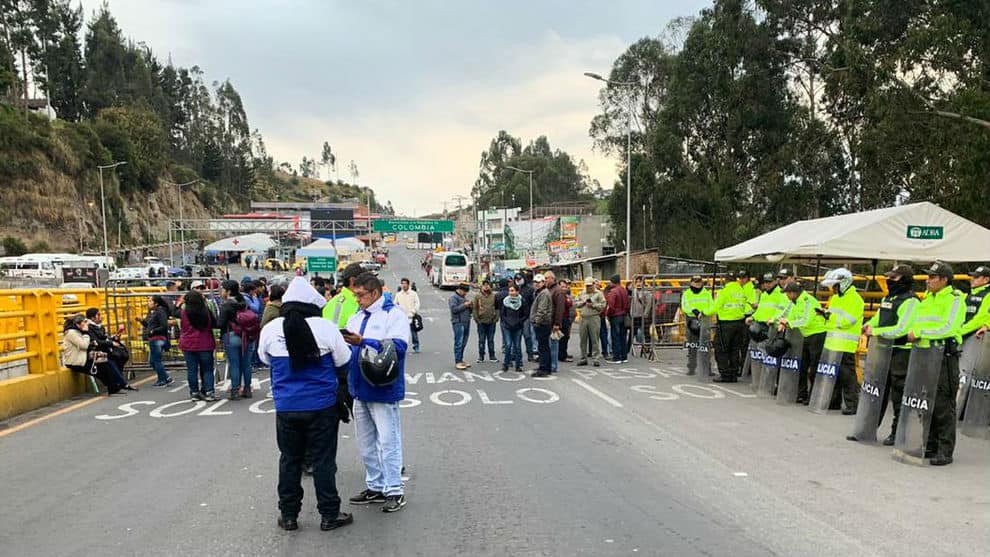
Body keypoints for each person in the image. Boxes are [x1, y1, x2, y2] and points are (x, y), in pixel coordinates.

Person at [259, 277, 355, 532]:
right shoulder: (325, 328)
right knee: (324, 461)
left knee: (289, 460)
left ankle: (289, 515)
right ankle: (329, 514)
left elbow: (265, 360)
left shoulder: (271, 329)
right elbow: (344, 362)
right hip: (322, 407)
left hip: (286, 407)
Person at [342, 272, 410, 512]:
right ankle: (375, 486)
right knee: (366, 443)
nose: (357, 299)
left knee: (388, 441)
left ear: (375, 293)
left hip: (383, 389)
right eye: (355, 295)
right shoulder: (357, 315)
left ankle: (394, 490)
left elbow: (399, 347)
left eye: (360, 295)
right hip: (359, 389)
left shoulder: (393, 315)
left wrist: (363, 341)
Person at [908, 261, 964, 466]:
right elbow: (918, 322)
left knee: (942, 404)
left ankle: (944, 450)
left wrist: (920, 333)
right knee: (925, 402)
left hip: (943, 356)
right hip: (923, 354)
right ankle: (929, 445)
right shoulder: (927, 298)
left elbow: (949, 327)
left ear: (944, 279)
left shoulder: (954, 299)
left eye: (932, 277)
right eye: (928, 277)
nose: (928, 280)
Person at [856, 265, 918, 443]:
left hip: (900, 352)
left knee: (899, 395)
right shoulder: (889, 297)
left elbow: (902, 329)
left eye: (895, 278)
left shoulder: (910, 301)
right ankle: (867, 429)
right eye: (889, 277)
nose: (890, 280)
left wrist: (876, 332)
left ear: (904, 280)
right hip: (882, 350)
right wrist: (869, 325)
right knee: (876, 391)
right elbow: (879, 317)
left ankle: (897, 433)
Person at [820, 267, 864, 413]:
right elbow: (834, 316)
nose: (833, 288)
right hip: (833, 342)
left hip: (845, 344)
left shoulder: (855, 299)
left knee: (848, 376)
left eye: (835, 285)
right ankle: (834, 401)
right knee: (835, 374)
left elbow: (848, 320)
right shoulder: (837, 298)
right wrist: (826, 315)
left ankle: (852, 405)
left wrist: (829, 318)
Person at [778, 281, 827, 404]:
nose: (786, 296)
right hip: (807, 336)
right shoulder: (794, 302)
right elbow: (787, 315)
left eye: (787, 294)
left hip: (817, 335)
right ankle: (802, 394)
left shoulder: (808, 301)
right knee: (803, 367)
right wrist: (779, 321)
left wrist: (789, 323)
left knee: (814, 368)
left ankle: (813, 396)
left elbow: (806, 320)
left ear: (793, 293)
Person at [218, 280, 260, 400]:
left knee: (234, 364)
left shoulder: (226, 305)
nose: (221, 291)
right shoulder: (243, 302)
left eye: (223, 289)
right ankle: (247, 389)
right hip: (247, 336)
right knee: (246, 363)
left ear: (229, 291)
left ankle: (235, 391)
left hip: (231, 336)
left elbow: (220, 323)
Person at [179, 289, 218, 401]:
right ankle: (209, 392)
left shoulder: (184, 312)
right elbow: (214, 323)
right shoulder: (206, 311)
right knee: (207, 369)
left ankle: (194, 392)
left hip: (188, 344)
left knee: (192, 370)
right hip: (205, 343)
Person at [84, 308, 135, 391]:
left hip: (105, 349)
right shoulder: (89, 328)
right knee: (111, 361)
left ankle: (119, 383)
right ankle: (122, 384)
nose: (101, 317)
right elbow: (96, 341)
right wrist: (111, 343)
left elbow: (105, 338)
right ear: (92, 318)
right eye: (98, 315)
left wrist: (115, 338)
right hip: (97, 351)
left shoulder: (99, 327)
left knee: (122, 356)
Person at [712, 271, 750, 383]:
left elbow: (715, 308)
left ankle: (724, 374)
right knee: (735, 349)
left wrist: (703, 312)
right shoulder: (741, 291)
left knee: (721, 348)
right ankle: (733, 374)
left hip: (726, 324)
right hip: (740, 323)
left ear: (726, 279)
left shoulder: (724, 291)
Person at [680, 275, 714, 376]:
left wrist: (704, 312)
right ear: (691, 283)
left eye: (699, 282)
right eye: (695, 282)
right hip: (692, 320)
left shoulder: (706, 293)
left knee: (705, 345)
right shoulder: (687, 293)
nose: (697, 284)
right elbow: (684, 306)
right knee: (692, 344)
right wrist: (694, 311)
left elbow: (711, 305)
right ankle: (691, 367)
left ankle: (707, 368)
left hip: (704, 319)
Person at [139, 295, 173, 387]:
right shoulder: (153, 312)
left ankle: (162, 380)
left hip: (157, 338)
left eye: (150, 301)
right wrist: (142, 321)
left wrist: (153, 331)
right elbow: (150, 325)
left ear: (156, 303)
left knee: (156, 360)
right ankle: (165, 377)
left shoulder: (160, 311)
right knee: (152, 361)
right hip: (153, 338)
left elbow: (164, 326)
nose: (148, 303)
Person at [576, 277, 607, 367]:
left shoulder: (599, 293)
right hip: (583, 317)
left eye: (590, 285)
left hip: (594, 317)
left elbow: (603, 305)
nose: (588, 287)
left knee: (595, 339)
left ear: (593, 284)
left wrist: (593, 305)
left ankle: (596, 358)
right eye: (587, 285)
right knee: (583, 339)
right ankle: (583, 358)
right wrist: (583, 303)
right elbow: (576, 303)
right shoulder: (582, 292)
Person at [499, 284, 528, 372]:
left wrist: (519, 321)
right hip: (507, 326)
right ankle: (506, 364)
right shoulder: (505, 301)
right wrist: (506, 322)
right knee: (508, 345)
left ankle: (518, 365)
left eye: (513, 291)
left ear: (517, 292)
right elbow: (502, 314)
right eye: (510, 291)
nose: (511, 293)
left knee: (517, 346)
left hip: (518, 327)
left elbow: (525, 314)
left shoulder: (522, 301)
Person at [324, 263, 363, 328]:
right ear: (353, 280)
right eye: (364, 280)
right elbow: (332, 333)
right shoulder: (337, 305)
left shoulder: (358, 300)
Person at [529, 274, 553, 377]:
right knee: (543, 346)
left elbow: (542, 310)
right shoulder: (539, 292)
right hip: (542, 323)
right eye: (535, 282)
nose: (536, 284)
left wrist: (536, 322)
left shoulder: (543, 293)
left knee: (543, 347)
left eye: (539, 282)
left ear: (543, 283)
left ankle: (544, 368)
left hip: (542, 324)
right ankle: (544, 367)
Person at [605, 275, 630, 363]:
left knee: (615, 336)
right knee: (623, 337)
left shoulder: (613, 291)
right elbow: (628, 304)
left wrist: (608, 314)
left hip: (615, 316)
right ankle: (624, 356)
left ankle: (617, 357)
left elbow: (611, 306)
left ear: (613, 282)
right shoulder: (624, 290)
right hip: (624, 315)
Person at [960, 265, 990, 339]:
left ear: (986, 279)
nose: (972, 279)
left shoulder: (988, 295)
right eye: (972, 276)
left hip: (976, 336)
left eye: (976, 277)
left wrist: (960, 331)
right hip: (964, 335)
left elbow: (981, 318)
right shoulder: (967, 295)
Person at [472, 281, 498, 362]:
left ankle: (492, 356)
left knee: (491, 340)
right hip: (481, 322)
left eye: (488, 285)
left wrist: (496, 318)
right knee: (481, 340)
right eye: (484, 285)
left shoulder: (494, 296)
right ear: (481, 287)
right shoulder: (477, 296)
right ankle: (481, 356)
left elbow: (497, 308)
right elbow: (474, 308)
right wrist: (477, 319)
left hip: (491, 322)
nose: (486, 287)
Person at [395, 278, 422, 353]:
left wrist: (413, 311)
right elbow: (395, 304)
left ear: (408, 284)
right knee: (402, 334)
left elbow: (417, 303)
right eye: (402, 283)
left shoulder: (413, 294)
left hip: (411, 316)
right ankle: (402, 347)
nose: (403, 285)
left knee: (414, 333)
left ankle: (416, 346)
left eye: (405, 283)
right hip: (402, 317)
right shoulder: (398, 294)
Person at [449, 283, 473, 370]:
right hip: (458, 322)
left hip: (466, 321)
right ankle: (458, 361)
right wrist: (465, 305)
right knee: (458, 342)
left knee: (464, 342)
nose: (465, 293)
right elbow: (454, 310)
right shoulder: (453, 298)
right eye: (465, 291)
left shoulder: (464, 298)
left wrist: (470, 306)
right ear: (460, 290)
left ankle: (461, 359)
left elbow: (469, 311)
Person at [515, 273, 538, 362]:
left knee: (527, 336)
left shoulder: (529, 290)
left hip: (526, 316)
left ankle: (530, 354)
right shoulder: (513, 289)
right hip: (515, 317)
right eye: (517, 279)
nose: (518, 281)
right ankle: (516, 355)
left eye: (520, 279)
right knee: (516, 337)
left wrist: (531, 315)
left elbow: (533, 303)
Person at [629, 276, 655, 348]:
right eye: (637, 282)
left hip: (642, 315)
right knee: (633, 331)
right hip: (634, 314)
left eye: (639, 281)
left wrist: (645, 313)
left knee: (645, 331)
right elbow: (629, 289)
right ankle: (628, 347)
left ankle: (647, 346)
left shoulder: (646, 291)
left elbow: (648, 304)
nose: (638, 283)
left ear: (643, 282)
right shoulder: (634, 290)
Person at [558, 279, 575, 362]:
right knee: (562, 338)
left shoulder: (567, 295)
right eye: (562, 287)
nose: (565, 288)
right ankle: (561, 355)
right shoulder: (560, 295)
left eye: (566, 286)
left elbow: (571, 304)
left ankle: (563, 354)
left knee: (565, 338)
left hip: (567, 319)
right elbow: (569, 304)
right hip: (561, 319)